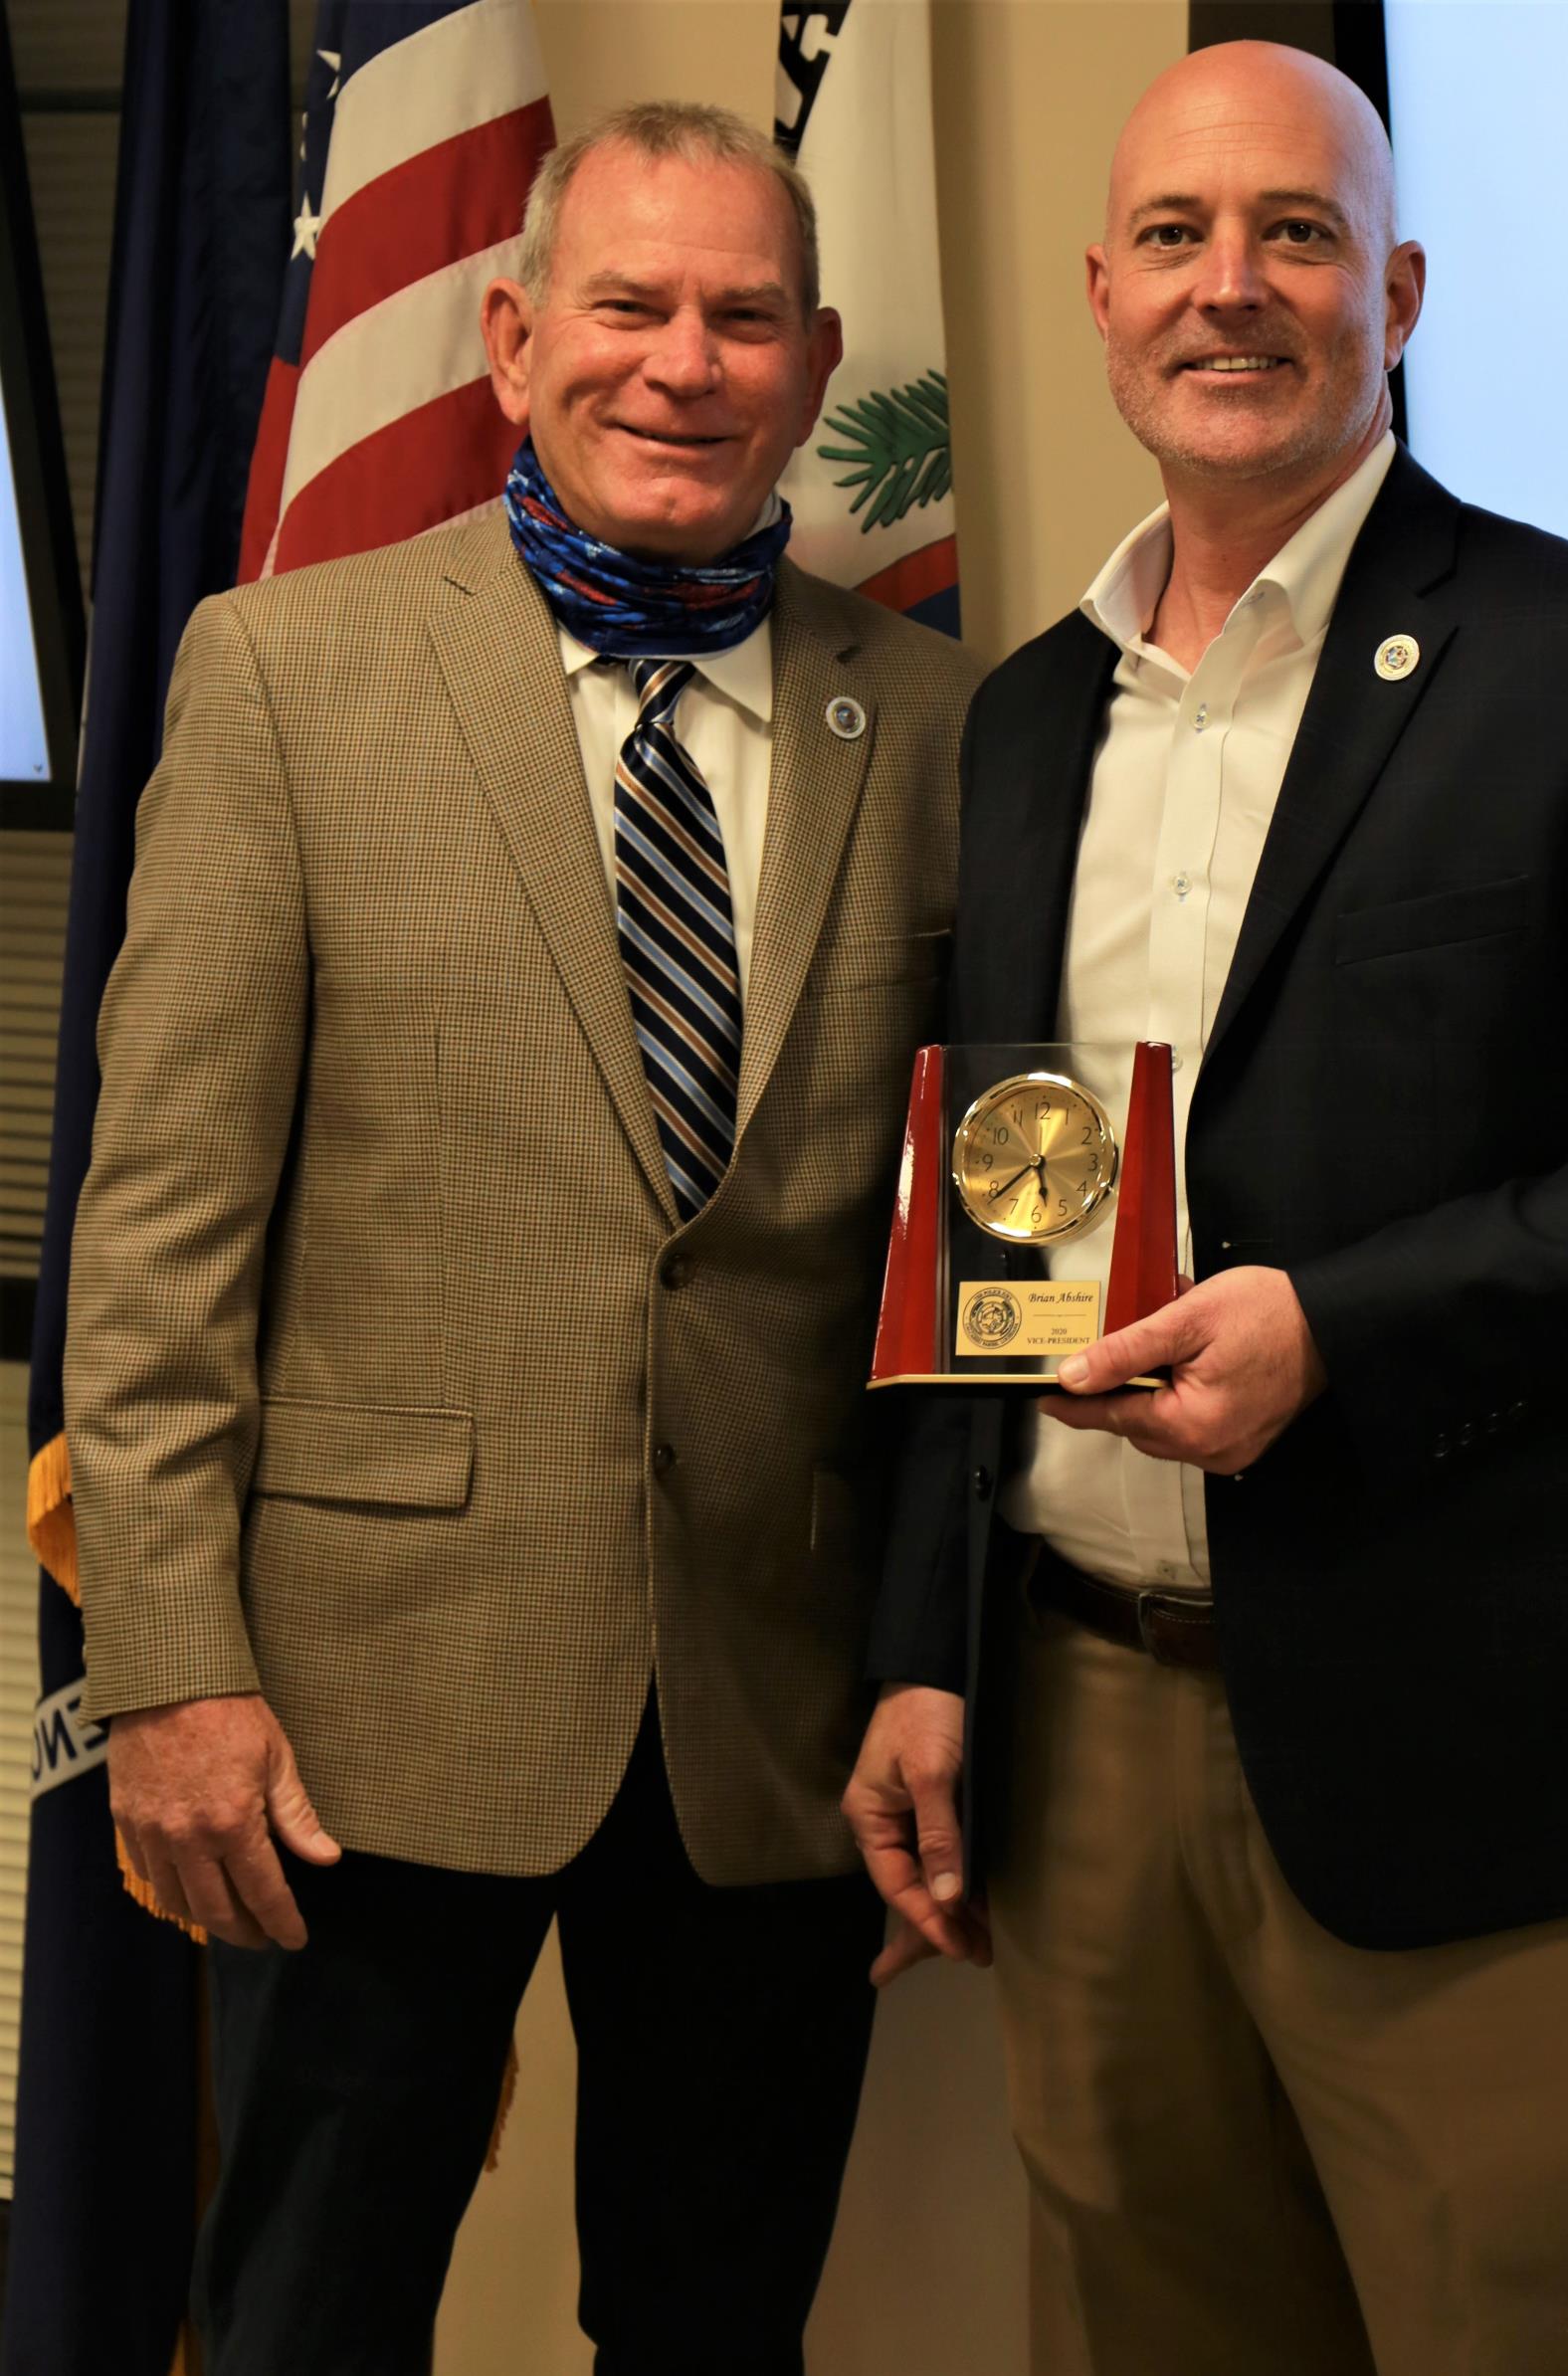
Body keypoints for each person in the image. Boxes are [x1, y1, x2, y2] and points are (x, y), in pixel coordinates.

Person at [845, 42, 1568, 2376]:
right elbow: (1000, 1207)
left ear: (1394, 288)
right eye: (1181, 241)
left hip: (1471, 1751)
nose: (1237, 290)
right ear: (1103, 299)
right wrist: (926, 1645)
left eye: (1297, 234)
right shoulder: (1018, 723)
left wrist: (1346, 1326)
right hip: (1079, 1733)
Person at [66, 101, 982, 2376]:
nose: (684, 363)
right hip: (360, 1706)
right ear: (507, 334)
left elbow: (971, 1242)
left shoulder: (952, 722)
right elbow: (164, 1224)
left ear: (816, 354)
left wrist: (941, 1650)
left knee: (714, 2326)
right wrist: (172, 1667)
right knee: (304, 2319)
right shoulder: (288, 675)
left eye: (743, 315)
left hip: (774, 1711)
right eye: (629, 305)